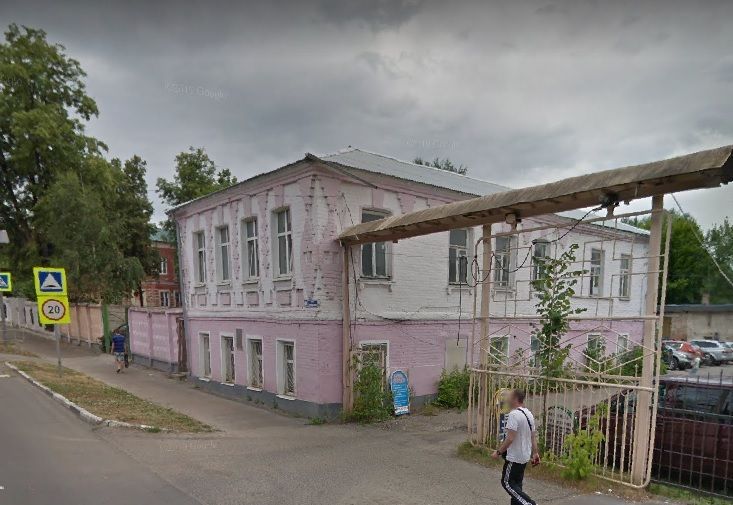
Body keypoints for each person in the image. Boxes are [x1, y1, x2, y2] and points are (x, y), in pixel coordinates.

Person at [492, 389, 540, 505]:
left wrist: (498, 452)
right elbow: (533, 436)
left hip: (515, 457)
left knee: (507, 483)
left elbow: (510, 438)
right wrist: (535, 453)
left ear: (515, 399)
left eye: (509, 397)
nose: (507, 399)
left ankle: (530, 503)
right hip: (524, 456)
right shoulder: (528, 414)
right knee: (517, 486)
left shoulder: (513, 415)